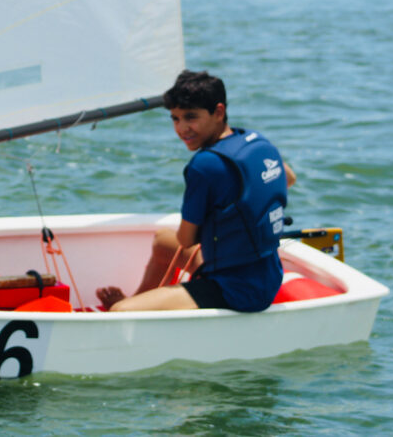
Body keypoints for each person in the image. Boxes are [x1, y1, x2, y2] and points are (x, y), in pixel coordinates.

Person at [96, 69, 296, 312]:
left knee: (120, 313)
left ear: (218, 112)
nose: (182, 128)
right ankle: (138, 298)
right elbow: (288, 178)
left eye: (191, 117)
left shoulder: (205, 165)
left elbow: (186, 239)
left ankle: (128, 306)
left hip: (235, 289)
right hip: (267, 273)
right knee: (162, 241)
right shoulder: (255, 141)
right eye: (175, 118)